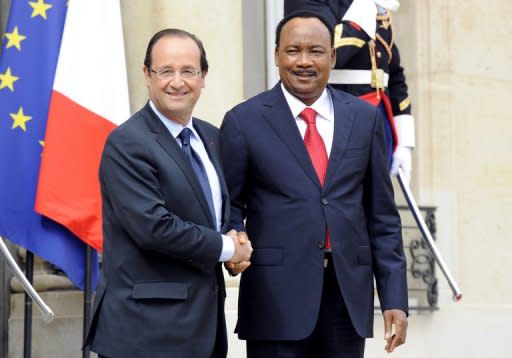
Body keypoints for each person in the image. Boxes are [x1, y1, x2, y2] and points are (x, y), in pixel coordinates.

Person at [220, 11, 408, 358]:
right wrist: (233, 239)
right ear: (276, 55)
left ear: (332, 57)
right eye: (293, 51)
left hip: (346, 301)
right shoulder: (243, 121)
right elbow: (227, 203)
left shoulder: (364, 120)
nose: (304, 61)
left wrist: (395, 298)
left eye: (316, 51)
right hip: (274, 301)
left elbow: (382, 216)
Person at [84, 28, 253, 358]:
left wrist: (235, 241)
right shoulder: (127, 143)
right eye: (165, 71)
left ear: (203, 76)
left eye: (188, 71)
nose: (178, 82)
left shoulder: (211, 137)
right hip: (145, 333)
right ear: (147, 74)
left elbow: (214, 213)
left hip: (202, 329)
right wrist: (227, 247)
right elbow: (154, 228)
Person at [284, 0, 415, 184]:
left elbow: (392, 72)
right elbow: (329, 51)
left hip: (379, 117)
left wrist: (404, 140)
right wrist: (364, 9)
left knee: (377, 202)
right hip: (337, 114)